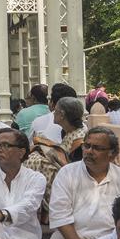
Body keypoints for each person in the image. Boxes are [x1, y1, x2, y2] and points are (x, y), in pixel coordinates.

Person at [25, 95, 87, 224]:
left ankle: (47, 211)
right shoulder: (67, 131)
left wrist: (50, 152)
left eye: (56, 110)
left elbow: (74, 166)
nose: (53, 113)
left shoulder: (79, 138)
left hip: (70, 175)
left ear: (62, 114)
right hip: (63, 167)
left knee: (36, 162)